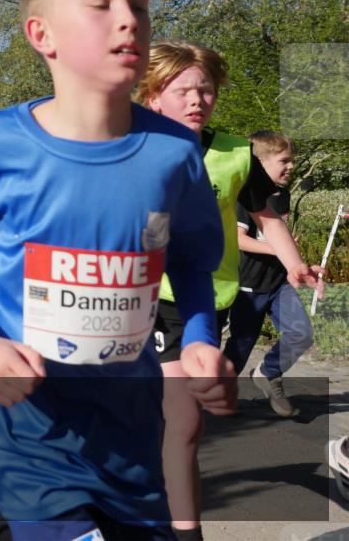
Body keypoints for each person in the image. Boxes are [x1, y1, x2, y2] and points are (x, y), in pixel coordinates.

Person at [0, 0, 236, 540]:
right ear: (43, 35)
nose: (129, 20)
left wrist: (199, 338)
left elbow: (193, 262)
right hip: (25, 419)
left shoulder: (174, 154)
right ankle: (13, 509)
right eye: (101, 4)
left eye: (139, 4)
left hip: (127, 421)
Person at [136, 41, 324, 540]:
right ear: (154, 95)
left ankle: (182, 527)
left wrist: (295, 264)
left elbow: (269, 217)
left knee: (182, 422)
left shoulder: (236, 152)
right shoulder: (126, 143)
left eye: (208, 90)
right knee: (158, 418)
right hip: (133, 298)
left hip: (199, 298)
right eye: (184, 91)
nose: (199, 99)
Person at [222, 131, 323, 416]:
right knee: (240, 347)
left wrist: (299, 264)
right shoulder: (245, 195)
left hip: (279, 283)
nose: (292, 166)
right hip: (248, 285)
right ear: (260, 164)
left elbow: (280, 237)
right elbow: (240, 240)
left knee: (301, 333)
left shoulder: (283, 195)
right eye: (284, 160)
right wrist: (276, 251)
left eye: (292, 160)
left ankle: (269, 372)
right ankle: (214, 393)